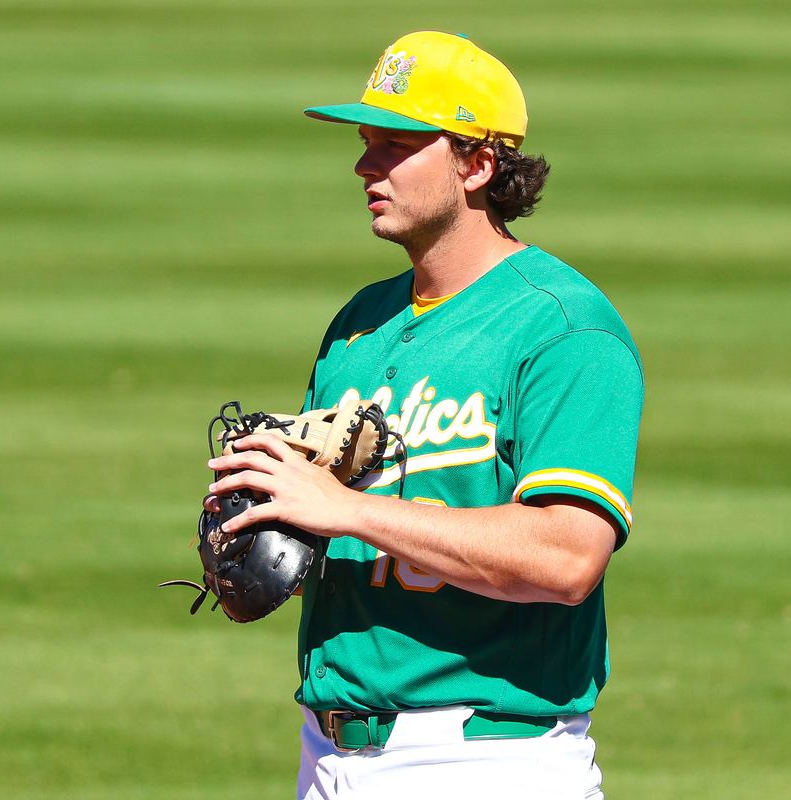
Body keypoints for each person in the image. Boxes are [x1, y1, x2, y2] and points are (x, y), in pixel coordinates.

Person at [205, 31, 644, 800]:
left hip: (486, 762)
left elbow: (569, 557)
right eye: (367, 142)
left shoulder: (565, 330)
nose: (365, 166)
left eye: (397, 146)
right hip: (329, 753)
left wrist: (342, 509)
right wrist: (269, 522)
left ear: (477, 164)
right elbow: (339, 536)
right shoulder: (359, 325)